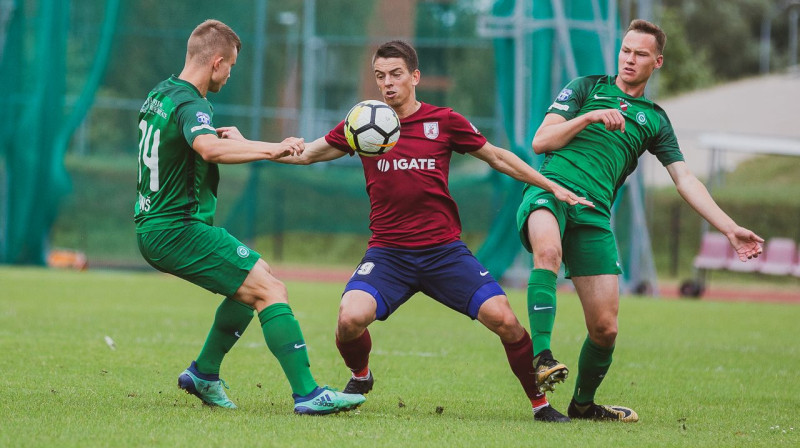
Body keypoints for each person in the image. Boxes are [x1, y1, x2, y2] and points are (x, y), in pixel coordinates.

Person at [221, 40, 593, 422]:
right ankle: (361, 377)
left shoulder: (444, 121)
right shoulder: (360, 123)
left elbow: (497, 156)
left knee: (506, 321)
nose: (387, 83)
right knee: (349, 319)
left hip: (444, 252)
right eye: (380, 76)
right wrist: (246, 143)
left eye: (396, 74)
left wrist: (551, 186)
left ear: (415, 76)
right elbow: (306, 154)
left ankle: (541, 406)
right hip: (388, 255)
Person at [516, 19, 764, 422]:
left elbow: (685, 178)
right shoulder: (586, 88)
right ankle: (542, 357)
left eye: (640, 54)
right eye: (625, 50)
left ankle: (582, 405)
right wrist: (590, 117)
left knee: (606, 330)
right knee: (547, 250)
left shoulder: (656, 120)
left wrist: (728, 227)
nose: (629, 59)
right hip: (550, 189)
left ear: (658, 62)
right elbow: (541, 141)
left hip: (594, 213)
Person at [134, 19, 365, 415]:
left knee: (256, 280)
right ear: (217, 62)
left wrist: (257, 144)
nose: (230, 74)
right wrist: (272, 150)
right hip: (176, 228)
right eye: (232, 66)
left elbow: (193, 143)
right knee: (271, 291)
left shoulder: (162, 93)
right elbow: (207, 147)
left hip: (156, 224)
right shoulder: (193, 103)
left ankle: (204, 373)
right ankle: (308, 394)